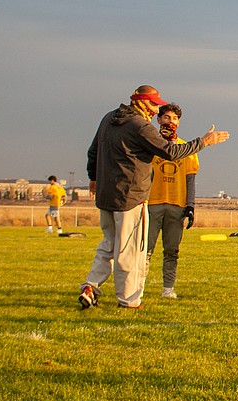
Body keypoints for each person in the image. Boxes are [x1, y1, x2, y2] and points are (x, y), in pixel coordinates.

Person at [79, 85, 229, 310]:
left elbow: (93, 151)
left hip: (106, 195)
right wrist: (204, 142)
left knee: (108, 244)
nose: (155, 110)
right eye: (153, 105)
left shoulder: (108, 118)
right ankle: (129, 300)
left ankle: (91, 286)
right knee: (131, 251)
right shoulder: (140, 126)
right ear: (140, 102)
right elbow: (171, 153)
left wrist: (93, 177)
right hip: (131, 197)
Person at [145, 103, 200, 300]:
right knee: (146, 250)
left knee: (172, 250)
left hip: (176, 205)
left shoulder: (187, 149)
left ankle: (168, 288)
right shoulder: (149, 145)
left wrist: (190, 206)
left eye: (175, 119)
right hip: (152, 204)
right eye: (167, 118)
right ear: (158, 120)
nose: (171, 122)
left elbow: (190, 179)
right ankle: (136, 287)